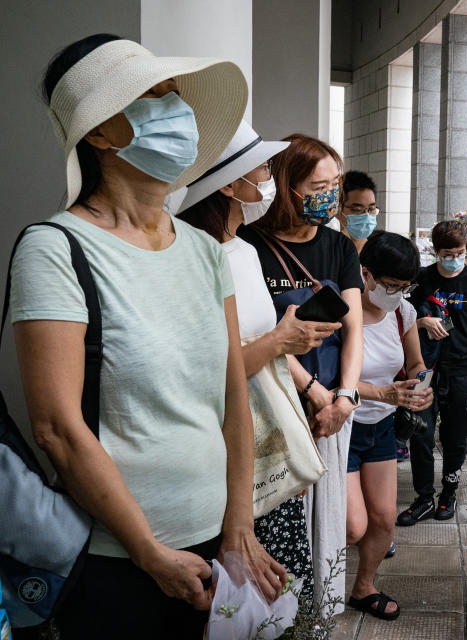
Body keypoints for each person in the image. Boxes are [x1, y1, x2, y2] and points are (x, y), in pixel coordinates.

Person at [10, 35, 284, 638]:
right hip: (113, 558)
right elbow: (56, 427)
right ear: (100, 136)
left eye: (175, 93)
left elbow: (231, 393)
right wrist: (147, 551)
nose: (178, 109)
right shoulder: (56, 249)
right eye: (153, 95)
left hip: (215, 541)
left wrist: (240, 524)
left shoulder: (204, 252)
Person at [176, 120, 343, 605]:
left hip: (266, 440)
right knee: (245, 600)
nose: (270, 179)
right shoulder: (196, 255)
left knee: (284, 598)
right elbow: (206, 372)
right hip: (222, 451)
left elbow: (263, 356)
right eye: (264, 168)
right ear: (230, 184)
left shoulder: (244, 250)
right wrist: (278, 341)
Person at [237, 135, 363, 612]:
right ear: (287, 186)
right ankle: (281, 616)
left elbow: (353, 330)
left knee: (330, 519)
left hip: (333, 408)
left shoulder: (339, 246)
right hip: (278, 405)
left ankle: (319, 614)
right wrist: (313, 393)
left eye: (335, 183)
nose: (329, 194)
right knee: (279, 515)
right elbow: (257, 334)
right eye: (317, 184)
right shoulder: (249, 244)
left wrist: (345, 397)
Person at [345, 231, 432, 620]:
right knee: (352, 525)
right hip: (343, 427)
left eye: (404, 286)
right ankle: (314, 586)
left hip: (380, 427)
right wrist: (384, 393)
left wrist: (419, 384)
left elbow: (414, 362)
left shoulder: (402, 312)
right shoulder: (341, 311)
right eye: (391, 285)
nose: (398, 293)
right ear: (366, 274)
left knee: (383, 520)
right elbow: (334, 381)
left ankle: (364, 587)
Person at [398, 220, 467, 526]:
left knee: (456, 437)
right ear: (436, 251)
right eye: (448, 253)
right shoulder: (422, 278)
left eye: (460, 252)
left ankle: (449, 492)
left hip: (463, 368)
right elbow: (402, 319)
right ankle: (424, 497)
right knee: (421, 433)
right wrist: (423, 323)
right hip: (424, 367)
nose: (454, 258)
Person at [335, 170, 379, 253]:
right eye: (357, 209)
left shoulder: (377, 250)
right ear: (338, 209)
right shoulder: (330, 247)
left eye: (371, 209)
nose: (366, 215)